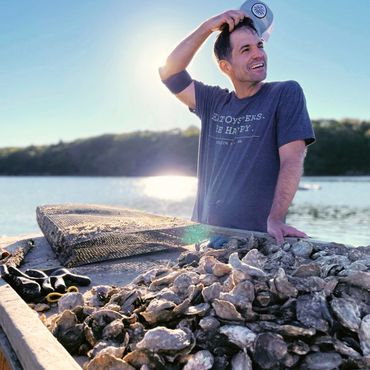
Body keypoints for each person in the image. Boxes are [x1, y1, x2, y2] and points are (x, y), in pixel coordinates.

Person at [159, 10, 315, 244]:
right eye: (246, 50)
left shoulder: (285, 93)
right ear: (225, 66)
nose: (258, 54)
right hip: (203, 236)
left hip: (255, 237)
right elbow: (170, 72)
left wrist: (276, 218)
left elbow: (292, 159)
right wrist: (206, 27)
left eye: (259, 45)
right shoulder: (213, 102)